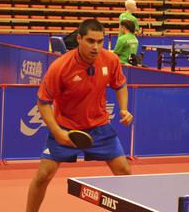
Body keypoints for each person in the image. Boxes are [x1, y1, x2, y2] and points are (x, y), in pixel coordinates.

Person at [26, 19, 134, 212]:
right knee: (43, 175)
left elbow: (120, 84)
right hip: (66, 128)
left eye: (100, 42)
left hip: (99, 127)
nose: (96, 47)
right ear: (79, 39)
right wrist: (57, 132)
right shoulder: (60, 67)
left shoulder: (111, 60)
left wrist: (124, 109)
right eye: (90, 41)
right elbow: (43, 102)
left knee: (124, 171)